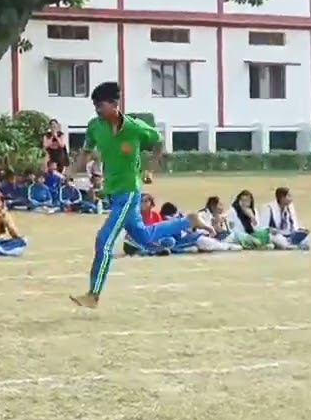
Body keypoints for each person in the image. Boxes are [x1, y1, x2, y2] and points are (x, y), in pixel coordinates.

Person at [70, 82, 212, 308]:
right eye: (94, 105)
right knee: (145, 237)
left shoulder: (135, 128)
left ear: (114, 104)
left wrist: (150, 168)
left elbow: (158, 141)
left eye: (100, 105)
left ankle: (93, 295)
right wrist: (69, 171)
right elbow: (85, 153)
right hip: (112, 193)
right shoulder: (94, 127)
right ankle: (188, 221)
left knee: (104, 241)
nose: (96, 109)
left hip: (128, 192)